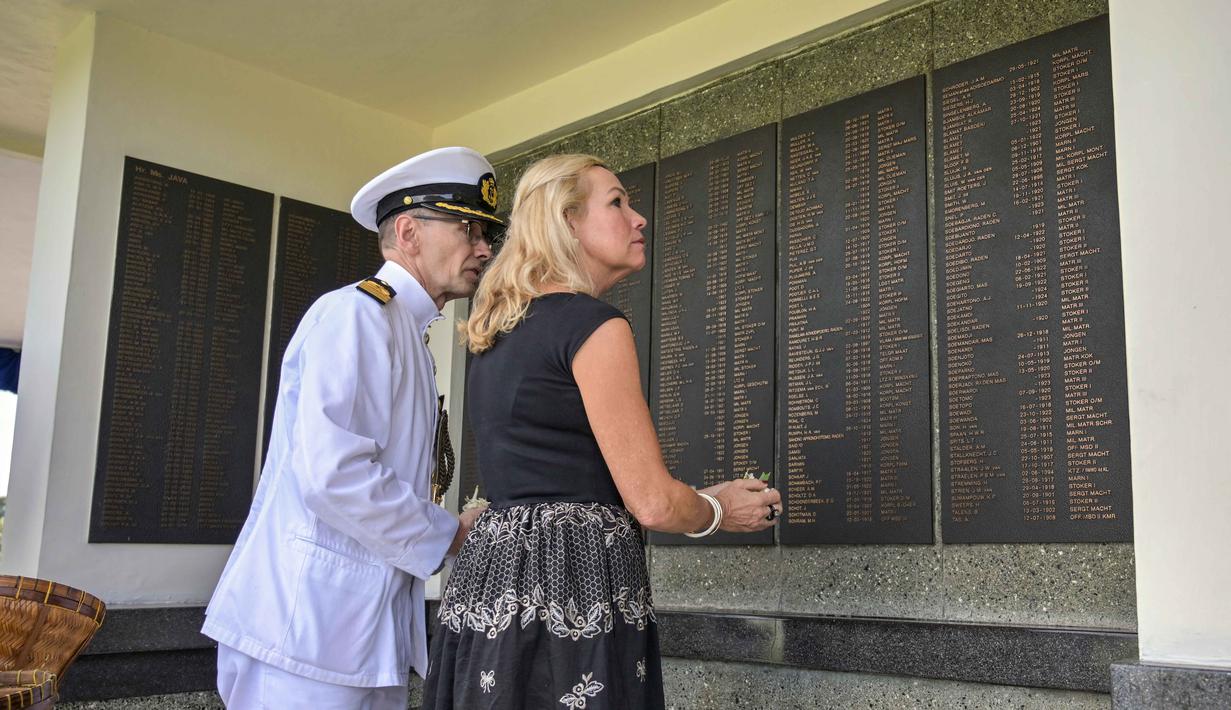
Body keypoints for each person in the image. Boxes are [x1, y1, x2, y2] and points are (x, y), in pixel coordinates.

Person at [422, 154, 781, 709]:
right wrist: (720, 510)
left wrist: (691, 497)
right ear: (567, 221)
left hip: (488, 591)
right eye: (616, 202)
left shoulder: (497, 334)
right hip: (572, 590)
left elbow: (560, 479)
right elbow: (652, 504)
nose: (639, 218)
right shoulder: (595, 326)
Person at [202, 146, 504, 708]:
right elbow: (334, 476)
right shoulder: (357, 316)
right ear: (408, 233)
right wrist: (450, 534)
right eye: (468, 228)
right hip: (306, 636)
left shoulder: (402, 329)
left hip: (356, 636)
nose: (484, 248)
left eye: (486, 233)